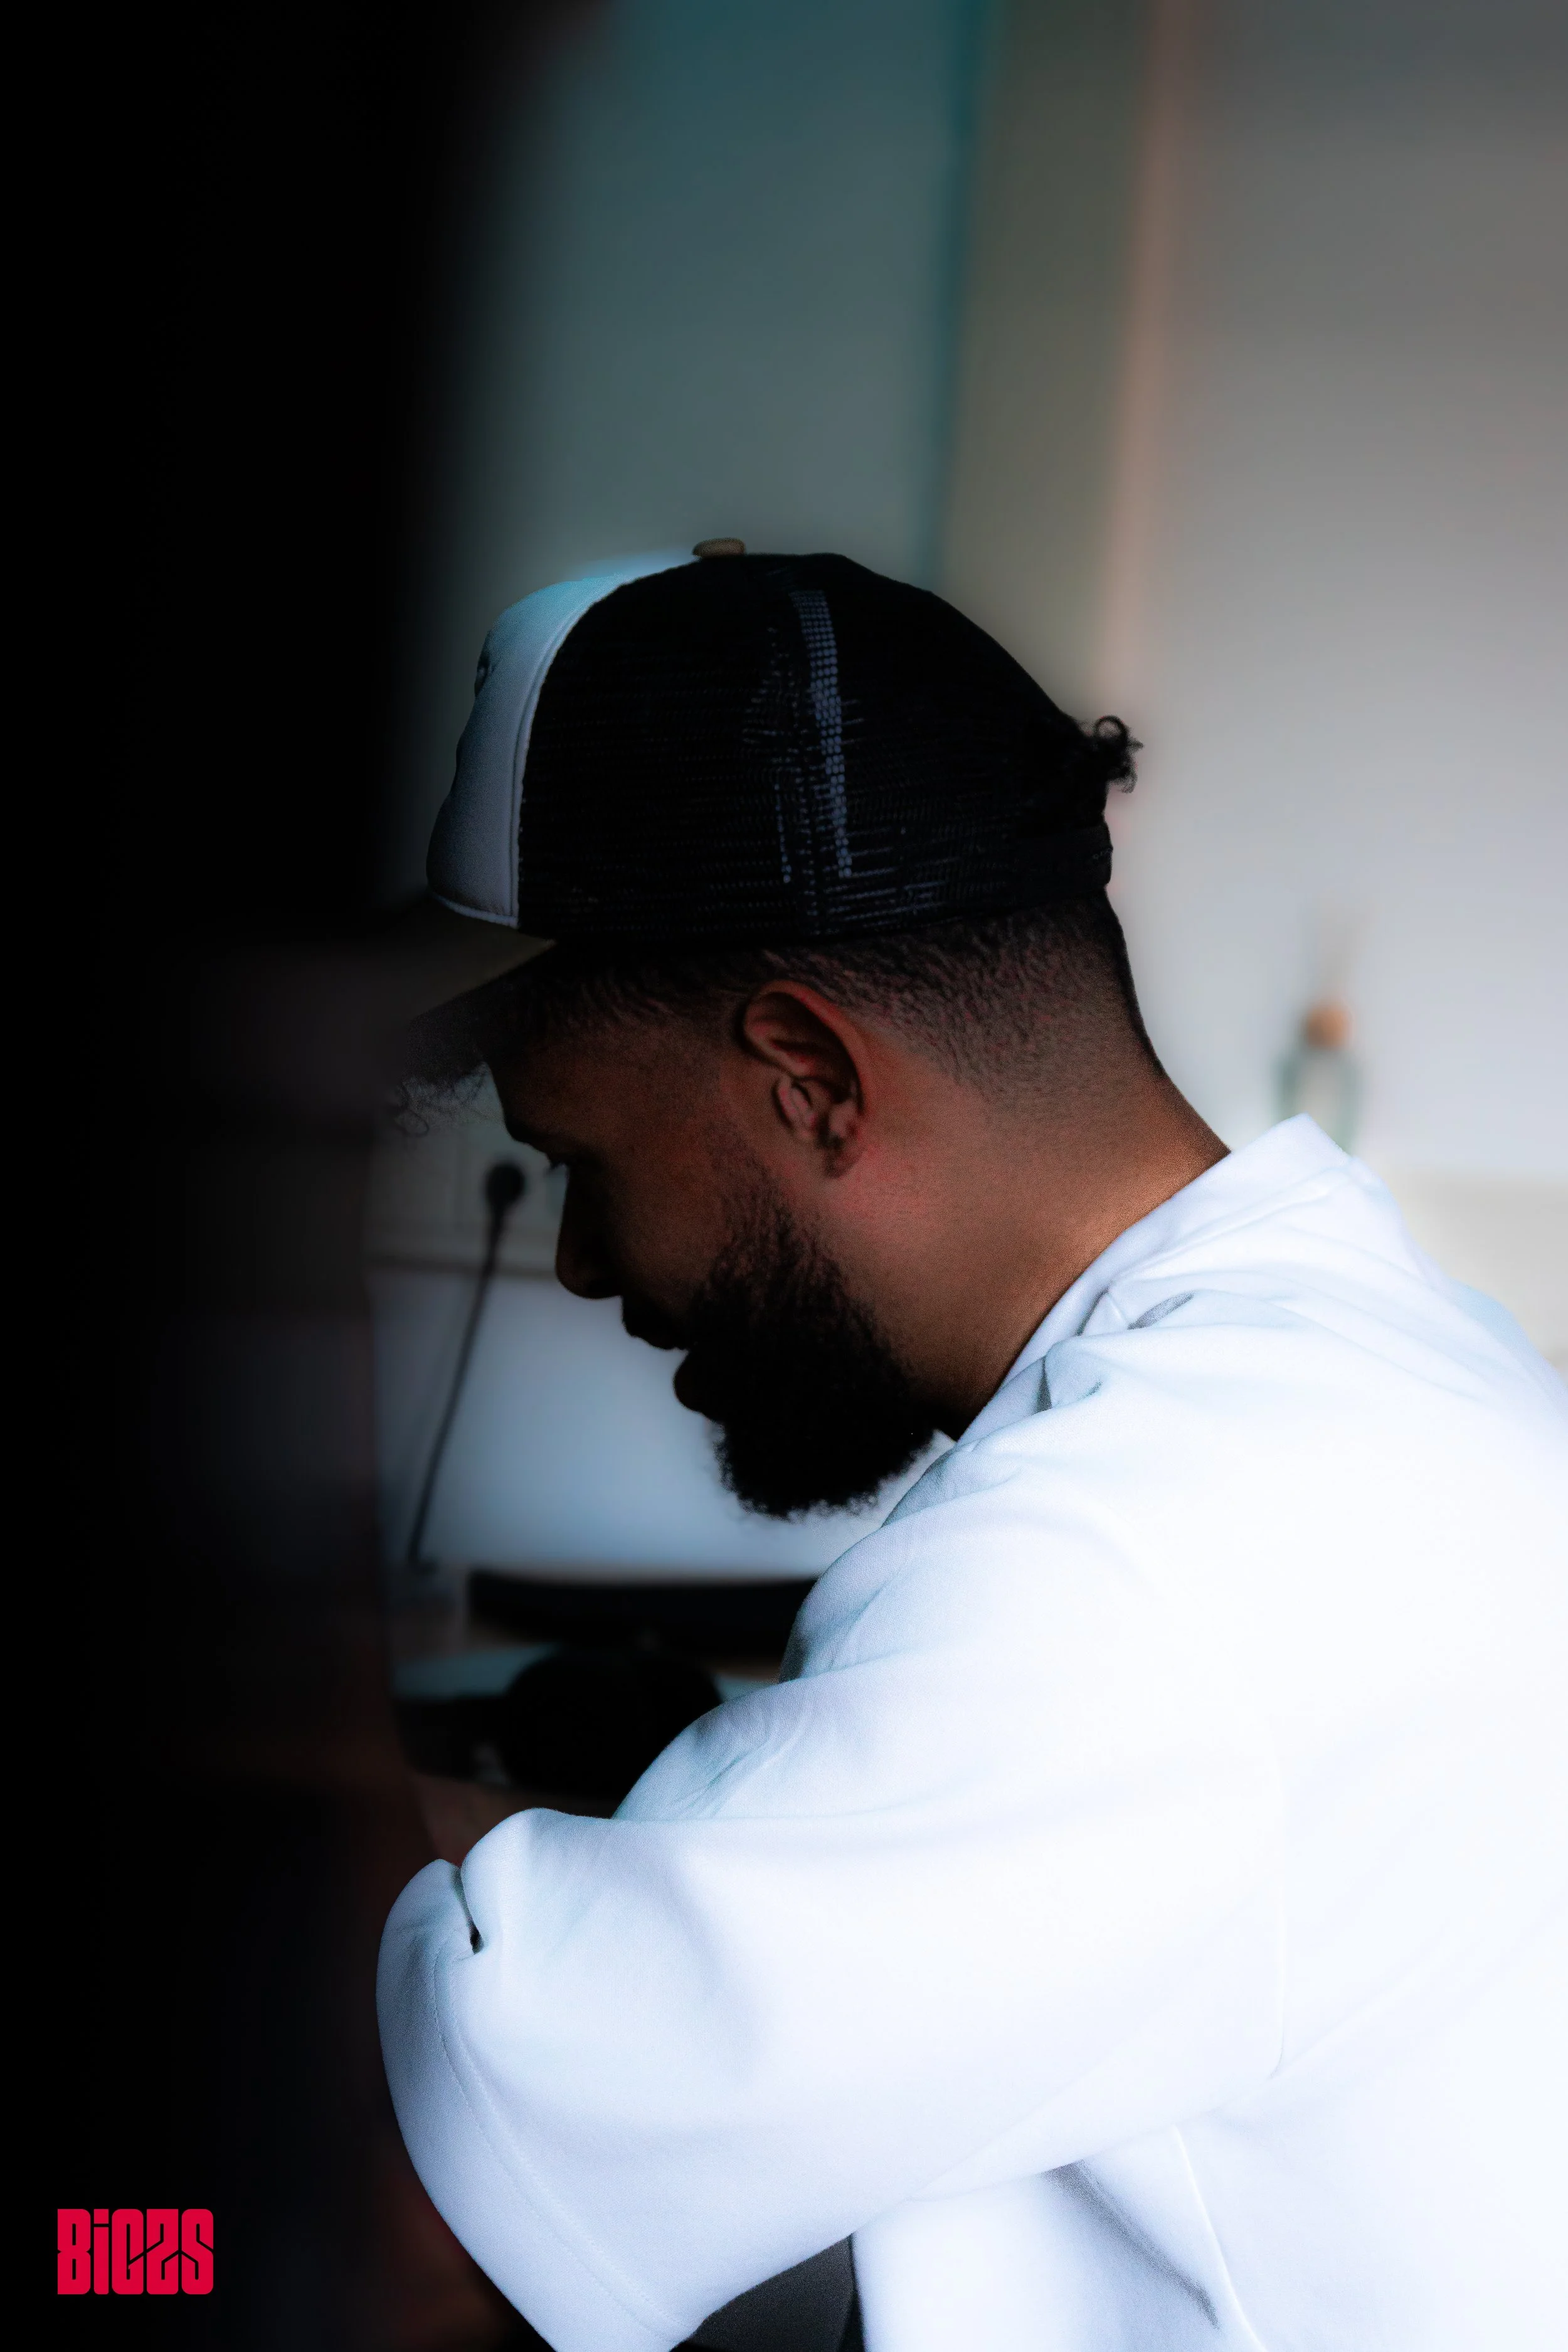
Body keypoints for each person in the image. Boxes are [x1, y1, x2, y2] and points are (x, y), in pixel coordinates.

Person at [379, 546, 1567, 2352]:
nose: (581, 1260)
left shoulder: (1126, 1573)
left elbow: (400, 2254)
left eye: (581, 1162)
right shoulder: (1357, 1375)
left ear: (810, 1074)